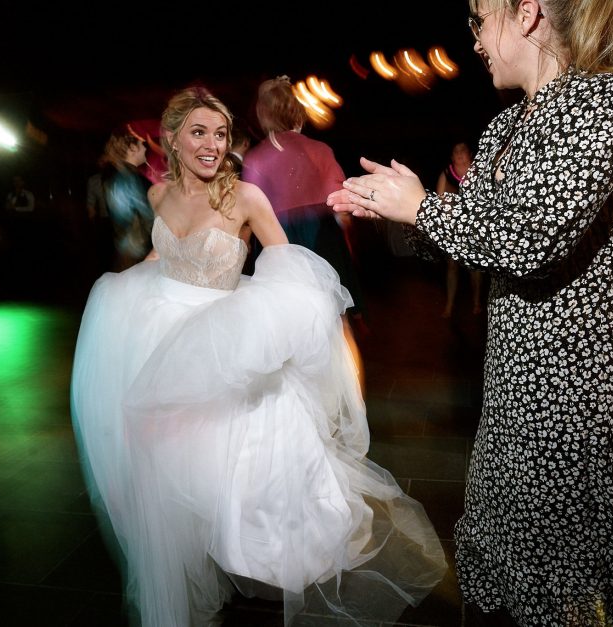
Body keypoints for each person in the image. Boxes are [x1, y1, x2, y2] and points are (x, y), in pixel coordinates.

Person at [327, 0, 613, 624]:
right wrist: (389, 216)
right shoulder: (507, 128)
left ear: (526, 13)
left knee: (563, 573)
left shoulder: (606, 103)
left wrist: (422, 208)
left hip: (583, 384)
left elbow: (527, 238)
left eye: (479, 19)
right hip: (517, 377)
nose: (473, 40)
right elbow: (472, 232)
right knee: (502, 539)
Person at [70, 86, 446, 627]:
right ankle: (194, 553)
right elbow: (160, 253)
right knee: (172, 468)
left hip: (221, 344)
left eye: (220, 134)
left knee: (244, 470)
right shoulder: (157, 196)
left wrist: (278, 321)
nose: (212, 144)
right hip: (160, 340)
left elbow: (285, 260)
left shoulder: (245, 197)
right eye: (198, 132)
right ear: (171, 139)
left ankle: (256, 550)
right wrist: (122, 285)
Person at [242, 76, 368, 320]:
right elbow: (340, 201)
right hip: (321, 238)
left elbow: (249, 211)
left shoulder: (256, 159)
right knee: (332, 313)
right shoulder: (320, 150)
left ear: (263, 114)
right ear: (297, 112)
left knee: (284, 318)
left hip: (276, 243)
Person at [436, 140, 485, 318]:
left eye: (463, 150)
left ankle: (477, 302)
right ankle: (449, 305)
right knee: (452, 267)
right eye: (455, 151)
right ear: (451, 157)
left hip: (475, 226)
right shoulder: (446, 174)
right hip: (454, 229)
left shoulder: (479, 172)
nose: (459, 154)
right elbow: (439, 204)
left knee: (475, 267)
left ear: (470, 154)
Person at [100, 124, 155, 271]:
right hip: (135, 250)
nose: (145, 148)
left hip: (128, 248)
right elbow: (148, 215)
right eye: (141, 144)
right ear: (131, 148)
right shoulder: (128, 178)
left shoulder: (122, 175)